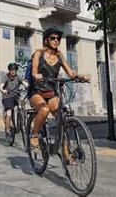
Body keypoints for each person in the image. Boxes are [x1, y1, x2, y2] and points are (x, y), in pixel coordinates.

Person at [29, 27, 89, 155]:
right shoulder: (38, 53)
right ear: (46, 40)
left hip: (51, 92)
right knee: (44, 110)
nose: (56, 41)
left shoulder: (59, 55)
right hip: (37, 92)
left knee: (61, 119)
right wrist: (36, 75)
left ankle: (66, 154)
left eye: (58, 39)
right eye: (53, 38)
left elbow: (70, 72)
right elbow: (34, 70)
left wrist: (79, 76)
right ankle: (34, 135)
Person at [0, 62, 28, 141]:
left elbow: (24, 83)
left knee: (22, 102)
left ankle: (21, 120)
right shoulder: (6, 77)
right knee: (9, 113)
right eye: (11, 70)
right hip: (7, 97)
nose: (13, 71)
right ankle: (8, 131)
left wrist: (27, 86)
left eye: (15, 70)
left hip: (16, 96)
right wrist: (3, 90)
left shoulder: (18, 77)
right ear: (9, 71)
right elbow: (0, 86)